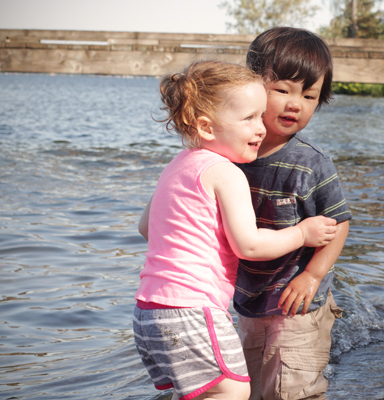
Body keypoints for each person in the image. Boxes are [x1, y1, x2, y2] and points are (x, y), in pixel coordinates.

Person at [134, 60, 338, 400]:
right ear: (207, 126)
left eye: (261, 115)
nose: (261, 128)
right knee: (232, 392)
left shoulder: (177, 164)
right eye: (249, 118)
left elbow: (145, 227)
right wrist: (303, 233)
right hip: (192, 310)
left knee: (202, 393)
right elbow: (250, 245)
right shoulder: (225, 172)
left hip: (148, 312)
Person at [234, 27, 353, 400]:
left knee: (293, 389)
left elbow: (339, 223)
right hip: (249, 299)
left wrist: (314, 276)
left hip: (300, 302)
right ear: (252, 86)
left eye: (309, 95)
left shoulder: (311, 163)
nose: (295, 104)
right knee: (249, 387)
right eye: (282, 89)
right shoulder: (232, 155)